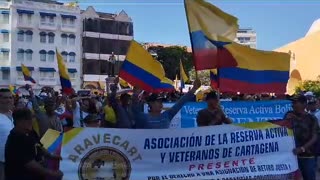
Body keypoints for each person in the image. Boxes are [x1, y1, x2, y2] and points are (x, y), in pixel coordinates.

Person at [5, 108, 63, 180]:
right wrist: (52, 173)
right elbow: (30, 163)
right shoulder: (16, 138)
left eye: (32, 118)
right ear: (18, 121)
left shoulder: (30, 131)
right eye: (28, 119)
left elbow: (39, 145)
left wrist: (50, 155)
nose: (32, 121)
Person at [133, 79, 201, 129]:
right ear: (150, 103)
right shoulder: (143, 117)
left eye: (161, 102)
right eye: (158, 101)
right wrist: (135, 95)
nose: (160, 104)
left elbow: (180, 103)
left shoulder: (167, 115)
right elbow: (134, 109)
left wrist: (194, 89)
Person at [284, 95, 319, 180]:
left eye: (296, 103)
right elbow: (283, 133)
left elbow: (315, 137)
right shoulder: (289, 115)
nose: (293, 105)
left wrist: (302, 148)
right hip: (292, 156)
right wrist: (286, 121)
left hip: (307, 156)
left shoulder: (312, 118)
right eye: (293, 103)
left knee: (309, 177)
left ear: (304, 104)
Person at [0, 88, 14, 180]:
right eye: (5, 98)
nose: (9, 100)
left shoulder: (11, 113)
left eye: (10, 97)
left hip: (13, 160)